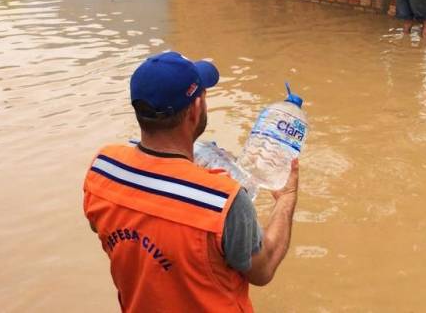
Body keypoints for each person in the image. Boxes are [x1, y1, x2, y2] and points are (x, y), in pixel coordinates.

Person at [83, 51, 299, 312]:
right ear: (196, 110)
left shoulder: (103, 169)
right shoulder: (224, 200)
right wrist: (286, 198)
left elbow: (112, 227)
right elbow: (262, 269)